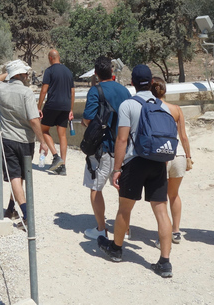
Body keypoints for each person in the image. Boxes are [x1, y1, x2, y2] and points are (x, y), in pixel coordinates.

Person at [97, 64, 175, 278]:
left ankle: (116, 249)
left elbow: (122, 139)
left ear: (132, 82)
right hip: (158, 162)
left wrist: (116, 169)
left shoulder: (128, 105)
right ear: (151, 82)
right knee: (161, 211)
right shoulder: (163, 105)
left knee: (125, 209)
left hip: (135, 162)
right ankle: (165, 262)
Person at [0, 60, 49, 225]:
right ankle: (26, 215)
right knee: (19, 176)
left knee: (16, 175)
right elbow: (33, 120)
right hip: (25, 140)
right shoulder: (26, 93)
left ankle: (10, 208)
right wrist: (43, 142)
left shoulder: (0, 88)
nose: (27, 76)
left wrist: (7, 72)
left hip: (7, 138)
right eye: (25, 73)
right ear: (21, 75)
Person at [81, 57, 131, 240]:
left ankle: (101, 228)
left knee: (96, 187)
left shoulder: (96, 91)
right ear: (112, 72)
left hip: (103, 147)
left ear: (95, 74)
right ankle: (124, 228)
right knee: (122, 188)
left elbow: (87, 118)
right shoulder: (125, 91)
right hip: (123, 147)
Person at [150, 77, 193, 244]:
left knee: (160, 198)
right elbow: (183, 136)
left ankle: (164, 235)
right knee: (174, 195)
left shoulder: (152, 108)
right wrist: (189, 157)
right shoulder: (176, 109)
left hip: (161, 155)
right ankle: (176, 231)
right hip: (179, 154)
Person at [37, 49, 75, 176]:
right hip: (65, 106)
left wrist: (39, 106)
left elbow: (44, 90)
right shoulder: (68, 71)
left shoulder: (49, 71)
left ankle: (55, 156)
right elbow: (72, 92)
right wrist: (71, 109)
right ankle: (63, 166)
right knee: (62, 135)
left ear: (50, 58)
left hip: (52, 105)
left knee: (43, 130)